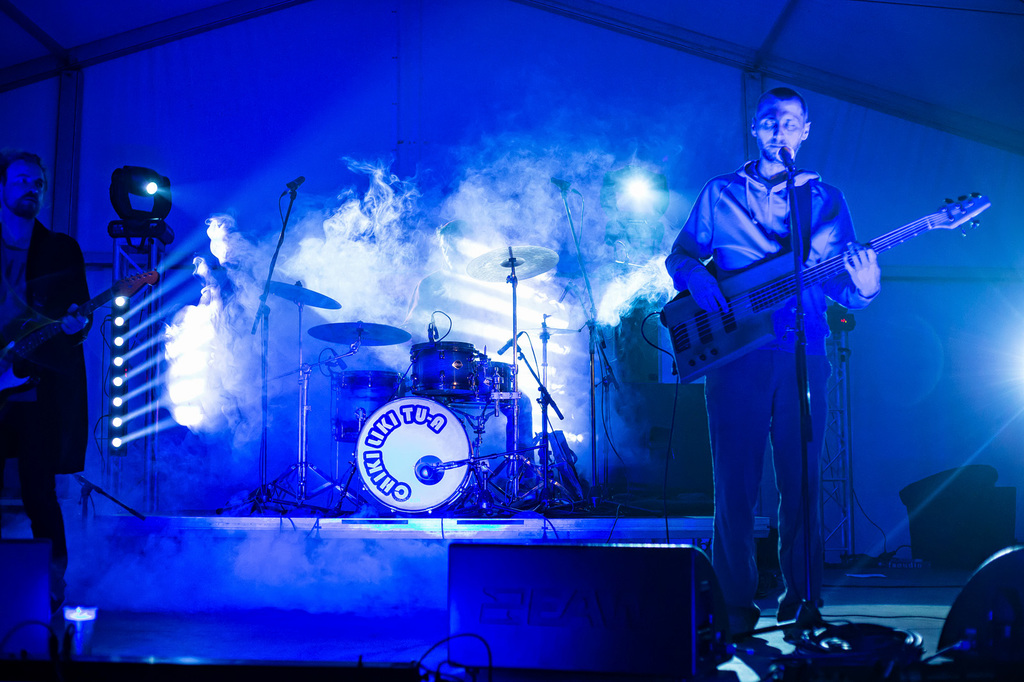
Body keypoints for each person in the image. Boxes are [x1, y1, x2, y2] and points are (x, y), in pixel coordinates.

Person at [664, 88, 881, 635]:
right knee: (734, 484)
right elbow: (681, 253)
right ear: (755, 128)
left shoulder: (825, 200)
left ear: (805, 130)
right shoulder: (719, 193)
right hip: (737, 354)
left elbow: (839, 284)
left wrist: (866, 288)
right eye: (769, 122)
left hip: (805, 349)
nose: (779, 130)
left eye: (789, 122)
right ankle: (734, 603)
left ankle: (802, 598)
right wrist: (695, 276)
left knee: (802, 482)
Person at [0, 150, 91, 612]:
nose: (30, 189)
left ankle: (52, 591)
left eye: (37, 183)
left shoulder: (61, 249)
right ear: (2, 186)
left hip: (34, 390)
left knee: (40, 493)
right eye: (20, 180)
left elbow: (78, 319)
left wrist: (76, 326)